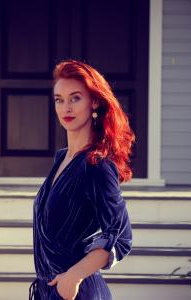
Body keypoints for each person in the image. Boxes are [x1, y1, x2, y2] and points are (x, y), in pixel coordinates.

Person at [29, 60, 134, 300]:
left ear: (94, 102)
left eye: (75, 98)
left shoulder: (97, 165)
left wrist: (74, 275)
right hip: (49, 291)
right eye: (59, 99)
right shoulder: (62, 158)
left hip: (78, 292)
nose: (66, 107)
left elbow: (121, 236)